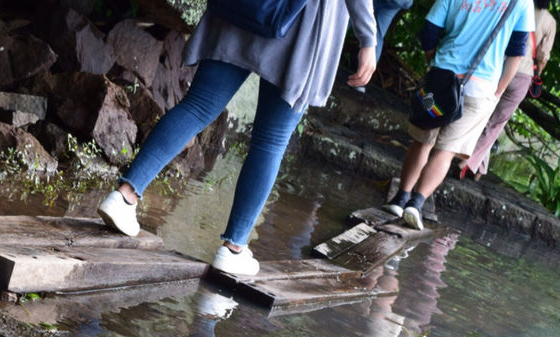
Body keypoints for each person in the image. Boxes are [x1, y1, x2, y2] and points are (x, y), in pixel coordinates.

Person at [97, 1, 378, 276]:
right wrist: (368, 39)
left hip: (245, 9)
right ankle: (232, 249)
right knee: (270, 141)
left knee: (197, 107)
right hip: (301, 25)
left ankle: (124, 197)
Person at [380, 0, 535, 229]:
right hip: (480, 87)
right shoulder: (522, 3)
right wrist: (499, 90)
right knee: (446, 151)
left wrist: (434, 63)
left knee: (422, 141)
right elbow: (516, 53)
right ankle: (416, 203)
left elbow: (429, 31)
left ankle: (400, 198)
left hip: (442, 77)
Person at [462, 0, 555, 180]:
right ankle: (468, 162)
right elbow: (543, 55)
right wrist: (537, 72)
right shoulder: (550, 21)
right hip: (523, 74)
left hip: (499, 66)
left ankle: (479, 167)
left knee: (484, 113)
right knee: (497, 123)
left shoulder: (516, 4)